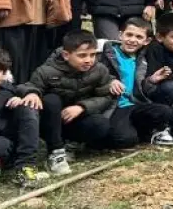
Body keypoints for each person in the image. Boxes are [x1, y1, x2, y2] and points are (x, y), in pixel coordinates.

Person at [27, 30, 125, 175]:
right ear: (66, 55)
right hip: (51, 121)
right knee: (51, 100)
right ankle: (55, 152)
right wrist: (31, 93)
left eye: (92, 55)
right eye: (82, 55)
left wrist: (82, 107)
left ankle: (72, 145)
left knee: (101, 124)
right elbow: (31, 86)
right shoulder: (46, 71)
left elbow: (105, 97)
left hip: (77, 118)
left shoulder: (99, 70)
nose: (88, 60)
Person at [98, 18, 173, 146]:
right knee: (126, 139)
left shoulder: (142, 58)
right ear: (120, 35)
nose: (133, 40)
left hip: (137, 104)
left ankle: (151, 130)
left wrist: (152, 79)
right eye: (129, 35)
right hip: (116, 106)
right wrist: (109, 81)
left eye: (139, 37)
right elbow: (94, 76)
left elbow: (142, 88)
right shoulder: (106, 53)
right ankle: (140, 132)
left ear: (146, 41)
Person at [0, 44, 42, 186]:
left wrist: (31, 93)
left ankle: (26, 166)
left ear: (4, 74)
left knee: (28, 106)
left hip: (10, 140)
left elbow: (22, 87)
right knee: (0, 145)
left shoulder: (7, 88)